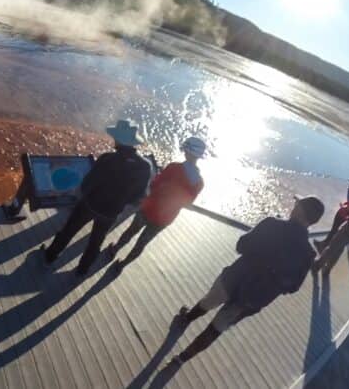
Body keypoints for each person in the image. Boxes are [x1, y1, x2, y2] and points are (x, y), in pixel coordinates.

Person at [170, 196, 324, 366]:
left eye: (297, 204)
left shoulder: (272, 224)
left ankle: (186, 319)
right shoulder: (308, 254)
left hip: (235, 277)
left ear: (300, 212)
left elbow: (241, 245)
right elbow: (293, 287)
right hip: (254, 297)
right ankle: (181, 358)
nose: (294, 205)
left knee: (209, 301)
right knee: (217, 327)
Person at [41, 119, 153, 276]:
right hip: (112, 211)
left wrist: (80, 195)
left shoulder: (108, 159)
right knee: (96, 242)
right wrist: (122, 202)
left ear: (119, 139)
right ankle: (83, 269)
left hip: (90, 204)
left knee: (69, 230)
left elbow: (88, 184)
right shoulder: (144, 167)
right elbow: (139, 196)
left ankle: (50, 256)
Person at [107, 136, 206, 274]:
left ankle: (114, 249)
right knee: (142, 243)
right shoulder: (199, 183)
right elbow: (187, 203)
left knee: (131, 231)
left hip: (150, 208)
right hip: (165, 219)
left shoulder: (174, 168)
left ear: (187, 152)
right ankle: (122, 265)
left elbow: (154, 184)